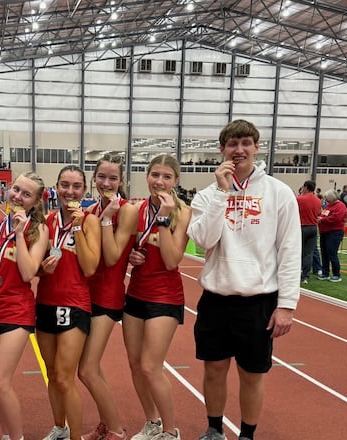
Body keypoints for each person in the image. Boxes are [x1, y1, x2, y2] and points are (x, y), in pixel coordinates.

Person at [187, 120, 301, 440]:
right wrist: (222, 193)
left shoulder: (278, 193)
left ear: (256, 147)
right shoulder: (206, 195)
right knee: (213, 370)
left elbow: (290, 250)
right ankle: (214, 429)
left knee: (252, 374)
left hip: (257, 301)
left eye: (246, 143)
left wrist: (287, 305)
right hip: (216, 298)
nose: (239, 150)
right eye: (232, 144)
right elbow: (204, 240)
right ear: (222, 150)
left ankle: (247, 435)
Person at [124, 154, 191, 440]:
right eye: (155, 175)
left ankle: (170, 431)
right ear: (147, 176)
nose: (159, 181)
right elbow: (125, 249)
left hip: (165, 296)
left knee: (151, 367)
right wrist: (131, 256)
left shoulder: (182, 212)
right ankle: (151, 422)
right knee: (135, 365)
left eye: (166, 176)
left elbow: (172, 260)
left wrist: (163, 218)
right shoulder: (136, 209)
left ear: (176, 180)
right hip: (136, 292)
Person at [0, 172, 49, 440]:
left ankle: (17, 437)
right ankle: (7, 434)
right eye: (16, 189)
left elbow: (28, 272)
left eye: (26, 194)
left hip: (16, 311)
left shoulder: (38, 230)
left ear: (36, 201)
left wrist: (19, 234)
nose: (18, 197)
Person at [37, 165, 101, 440]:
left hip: (74, 305)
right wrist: (43, 270)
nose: (70, 191)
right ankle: (59, 428)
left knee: (65, 377)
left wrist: (76, 228)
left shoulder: (89, 222)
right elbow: (35, 267)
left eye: (76, 186)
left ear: (84, 190)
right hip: (45, 302)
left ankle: (75, 436)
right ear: (56, 188)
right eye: (65, 185)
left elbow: (89, 267)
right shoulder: (46, 221)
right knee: (52, 374)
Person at [80, 153, 139, 440]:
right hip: (85, 293)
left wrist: (104, 221)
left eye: (113, 178)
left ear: (121, 181)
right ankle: (106, 423)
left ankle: (116, 429)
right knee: (91, 367)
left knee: (86, 370)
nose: (106, 183)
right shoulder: (90, 210)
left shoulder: (126, 211)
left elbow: (114, 257)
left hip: (108, 295)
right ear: (94, 178)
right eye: (101, 177)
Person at [317, 188, 347, 282]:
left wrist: (322, 220)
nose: (326, 200)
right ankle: (325, 272)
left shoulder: (340, 206)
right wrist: (320, 218)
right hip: (324, 232)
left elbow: (336, 218)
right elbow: (324, 215)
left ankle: (336, 274)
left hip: (334, 233)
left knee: (332, 253)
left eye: (327, 198)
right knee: (324, 253)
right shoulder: (328, 206)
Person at [297, 180, 321, 285]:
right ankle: (305, 276)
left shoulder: (300, 199)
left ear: (305, 187)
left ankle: (297, 272)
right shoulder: (318, 200)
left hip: (302, 226)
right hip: (313, 227)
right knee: (309, 253)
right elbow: (319, 213)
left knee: (297, 252)